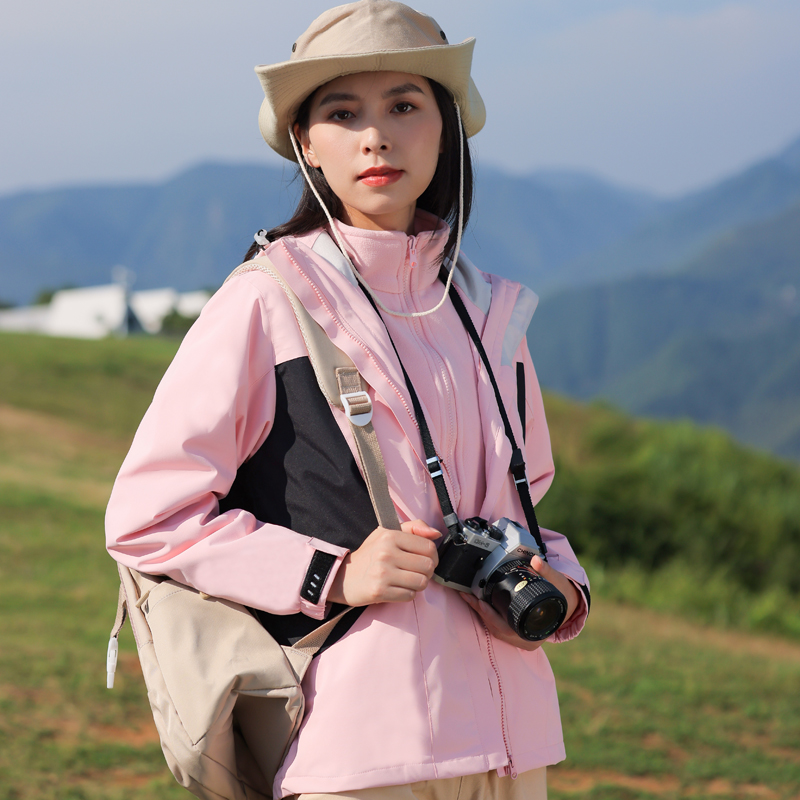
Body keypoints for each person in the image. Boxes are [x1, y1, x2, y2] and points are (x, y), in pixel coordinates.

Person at [105, 1, 590, 798]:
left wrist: (560, 583)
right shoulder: (269, 301)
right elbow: (147, 516)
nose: (376, 135)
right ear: (305, 144)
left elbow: (523, 500)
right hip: (358, 748)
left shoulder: (492, 311)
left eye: (405, 105)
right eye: (342, 113)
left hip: (515, 745)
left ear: (446, 127)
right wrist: (327, 574)